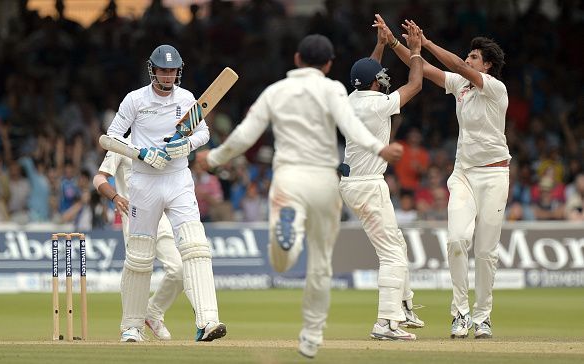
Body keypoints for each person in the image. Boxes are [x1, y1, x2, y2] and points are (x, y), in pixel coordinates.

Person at [197, 34, 404, 358]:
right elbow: (352, 127)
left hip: (289, 178)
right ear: (329, 64)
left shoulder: (275, 92)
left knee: (283, 261)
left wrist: (213, 158)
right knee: (321, 264)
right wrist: (380, 147)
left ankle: (287, 242)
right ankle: (311, 336)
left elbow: (245, 135)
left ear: (296, 59)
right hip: (324, 181)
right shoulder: (334, 90)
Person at [386, 15, 510, 339]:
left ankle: (483, 317)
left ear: (487, 66)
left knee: (485, 252)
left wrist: (426, 43)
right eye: (468, 55)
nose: (467, 60)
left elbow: (454, 65)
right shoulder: (461, 86)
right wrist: (400, 44)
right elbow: (422, 69)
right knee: (456, 240)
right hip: (464, 175)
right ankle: (461, 314)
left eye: (473, 58)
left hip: (495, 176)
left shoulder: (495, 88)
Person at [105, 44, 225, 342]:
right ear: (153, 70)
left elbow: (203, 132)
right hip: (144, 182)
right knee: (139, 256)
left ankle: (208, 321)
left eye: (173, 71)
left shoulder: (186, 99)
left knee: (196, 247)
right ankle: (131, 326)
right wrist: (141, 153)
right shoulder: (135, 100)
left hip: (178, 179)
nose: (168, 76)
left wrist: (186, 145)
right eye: (163, 70)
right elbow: (109, 138)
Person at [338, 15, 424, 341]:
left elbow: (370, 70)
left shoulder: (352, 99)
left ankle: (403, 306)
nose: (384, 80)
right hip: (367, 185)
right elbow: (415, 84)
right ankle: (387, 322)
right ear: (376, 83)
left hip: (355, 183)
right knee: (392, 254)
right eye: (381, 78)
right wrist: (415, 51)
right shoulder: (378, 104)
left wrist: (381, 43)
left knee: (395, 245)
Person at [93, 134, 187, 341]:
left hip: (162, 218)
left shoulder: (161, 141)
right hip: (135, 220)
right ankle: (131, 327)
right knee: (135, 273)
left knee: (179, 270)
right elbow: (99, 178)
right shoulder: (120, 144)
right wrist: (115, 197)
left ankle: (153, 312)